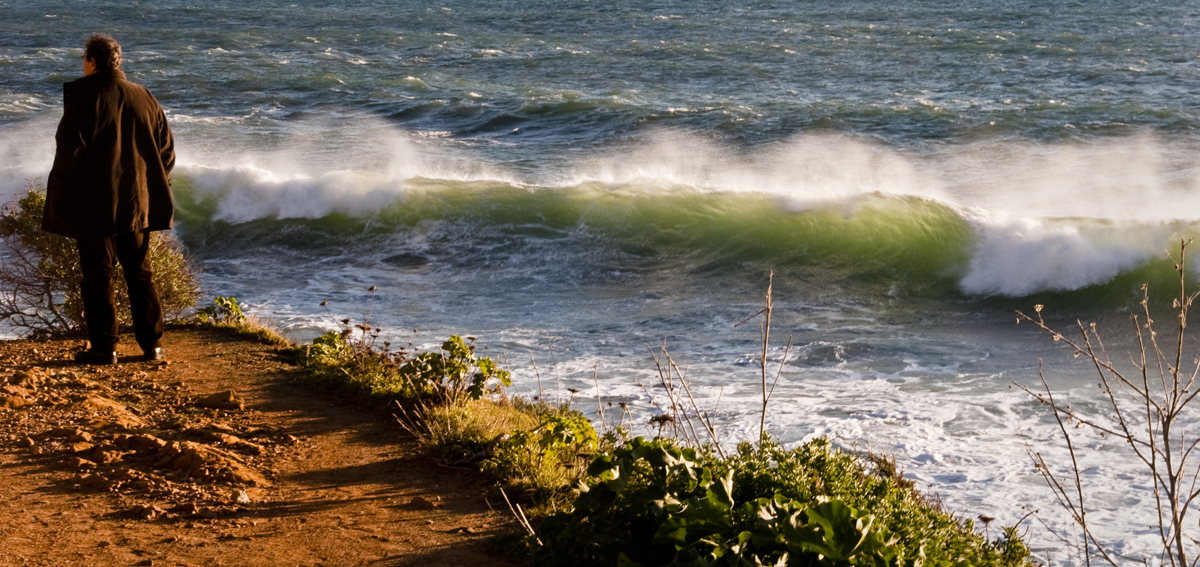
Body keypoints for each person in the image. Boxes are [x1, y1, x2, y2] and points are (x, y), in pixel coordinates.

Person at [43, 33, 176, 365]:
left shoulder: (85, 100)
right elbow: (167, 153)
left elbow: (68, 157)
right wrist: (150, 186)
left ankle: (105, 348)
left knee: (99, 274)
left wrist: (59, 198)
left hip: (94, 204)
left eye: (83, 60)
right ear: (117, 62)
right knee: (140, 271)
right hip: (136, 201)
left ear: (91, 62)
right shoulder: (145, 96)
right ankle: (152, 346)